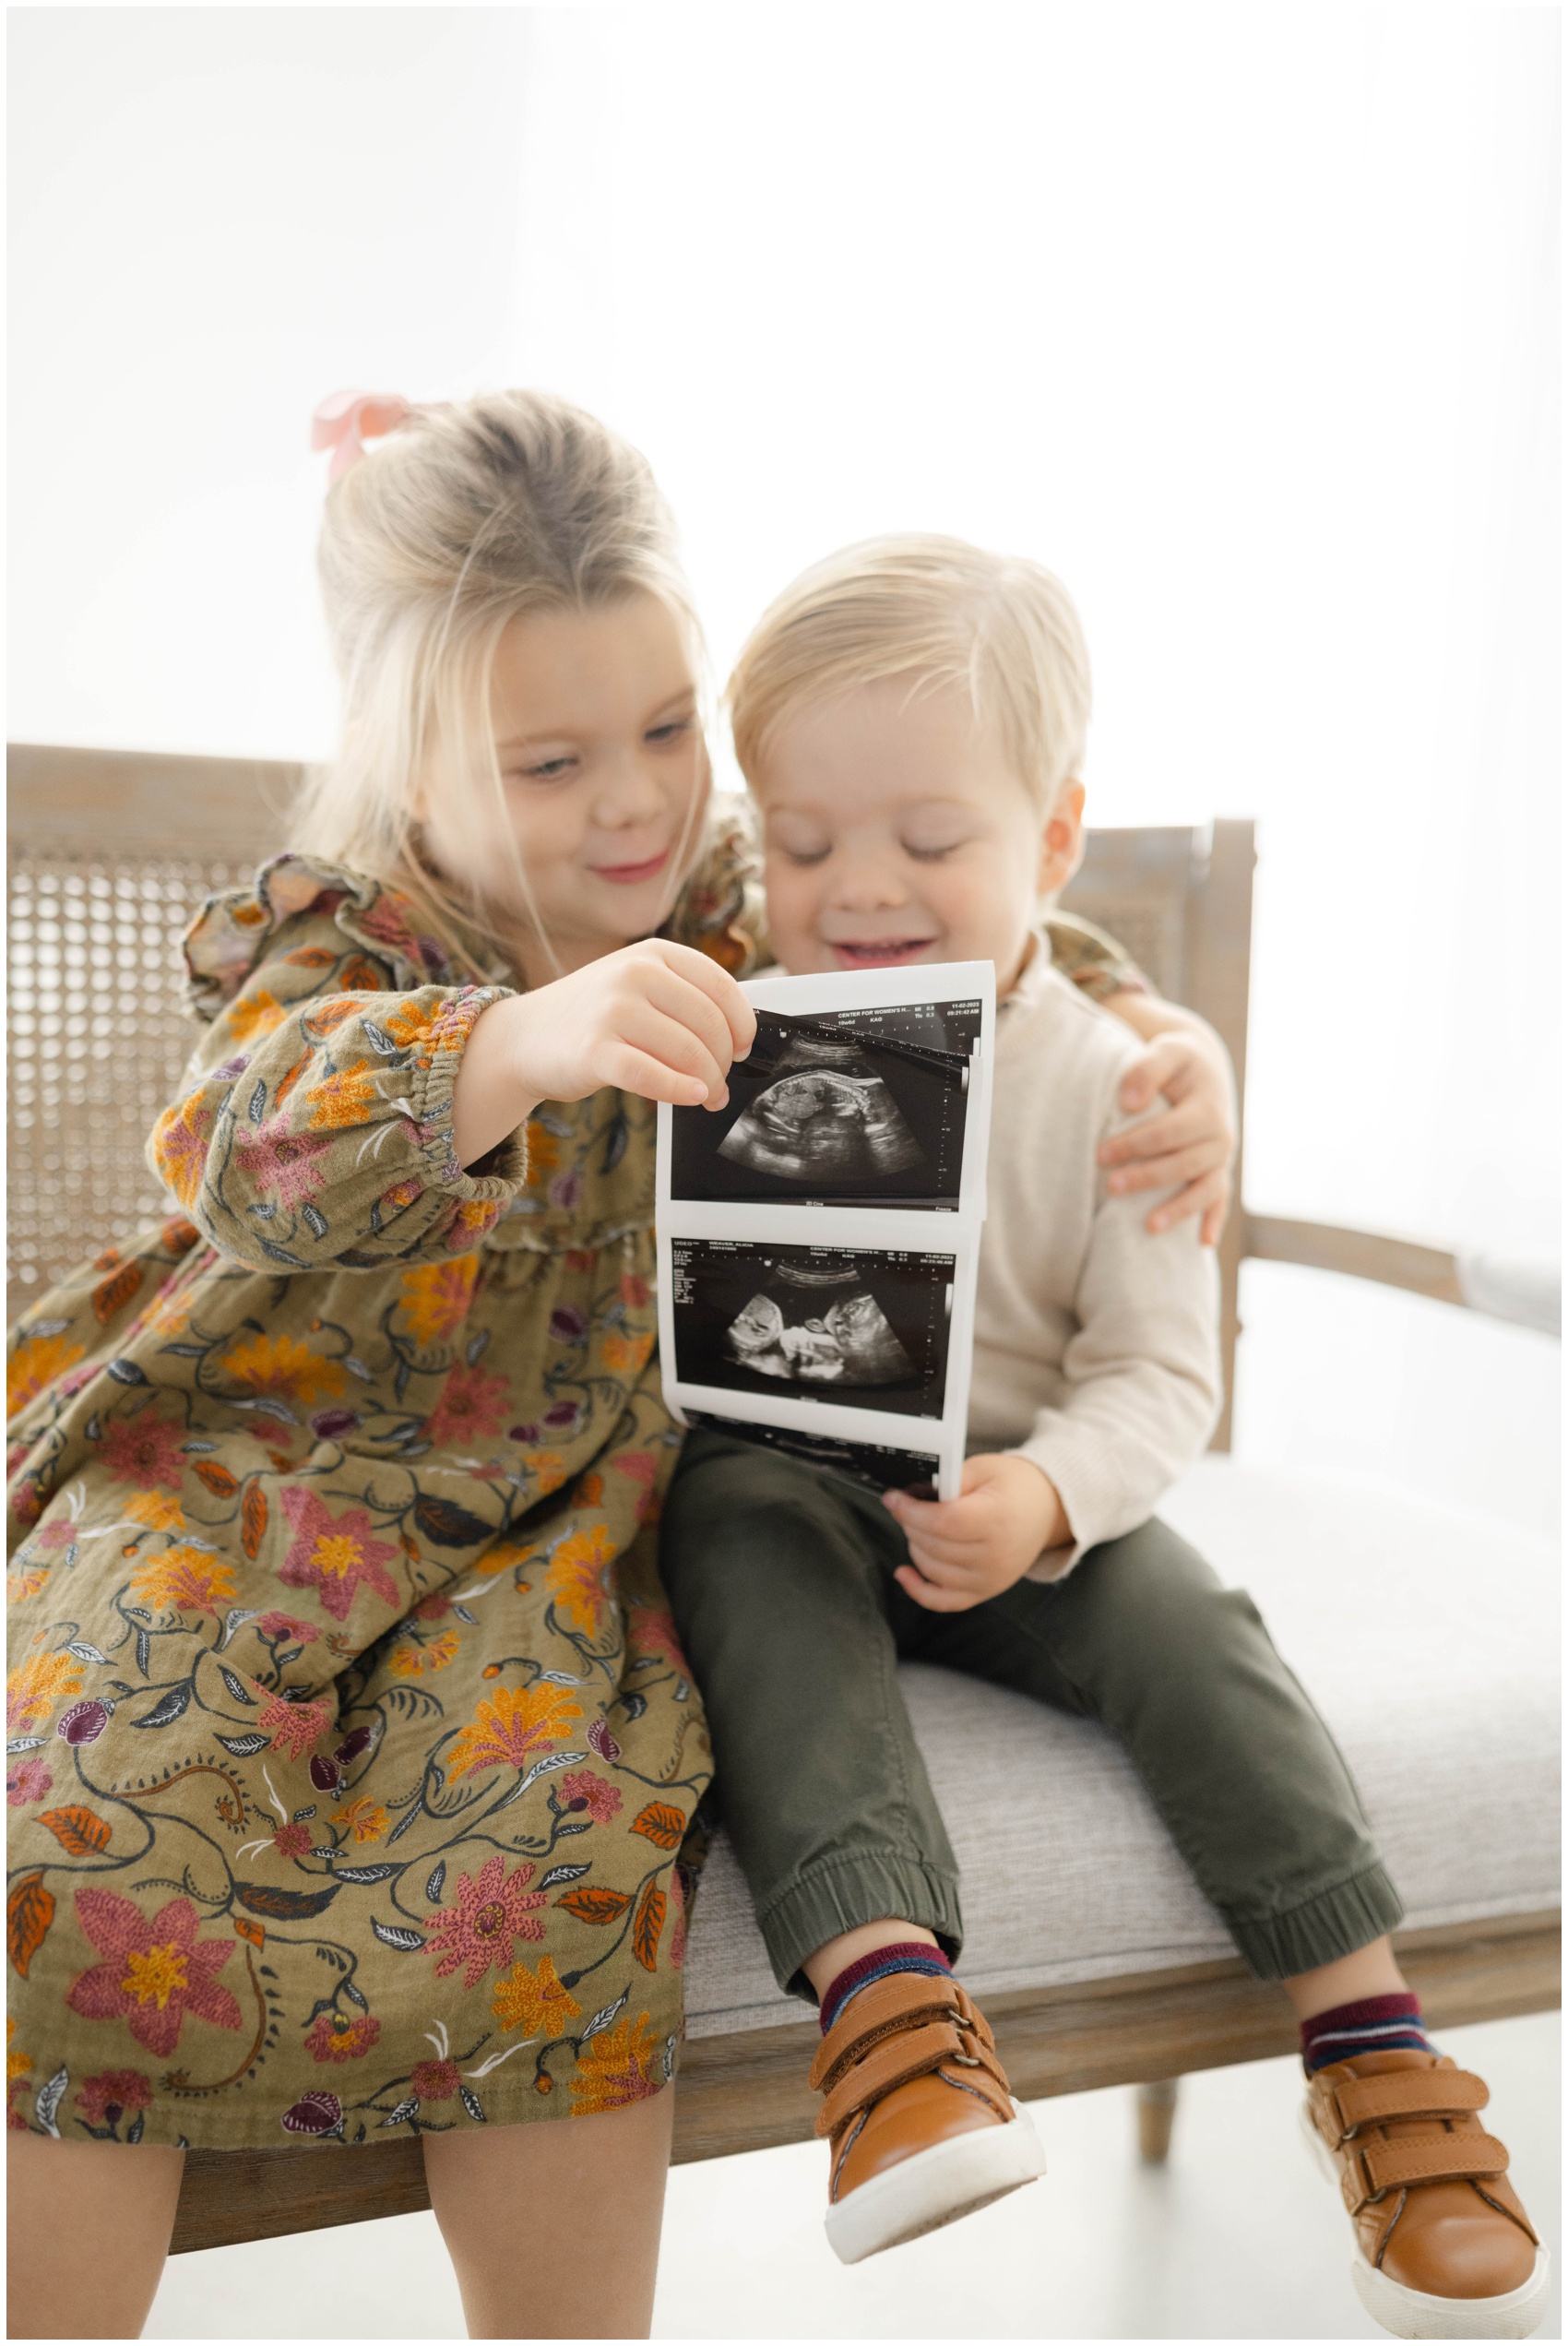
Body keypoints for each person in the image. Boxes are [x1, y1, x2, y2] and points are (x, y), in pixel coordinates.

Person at [4, 395, 1225, 2342]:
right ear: (412, 768)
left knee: (565, 1846)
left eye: (666, 728)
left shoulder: (742, 899)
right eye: (554, 760)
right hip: (253, 1466)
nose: (639, 803)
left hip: (565, 1501)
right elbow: (239, 1139)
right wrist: (517, 1041)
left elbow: (980, 927)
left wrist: (1172, 1049)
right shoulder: (341, 932)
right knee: (79, 1812)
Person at [659, 537, 1547, 2340]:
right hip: (791, 1474)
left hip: (1025, 1487)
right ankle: (891, 2018)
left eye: (929, 838)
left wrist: (1050, 1492)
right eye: (805, 843)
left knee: (1195, 1626)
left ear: (1054, 846)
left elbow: (1158, 1380)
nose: (859, 888)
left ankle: (1371, 2051)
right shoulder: (724, 1020)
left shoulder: (1124, 1089)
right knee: (738, 1538)